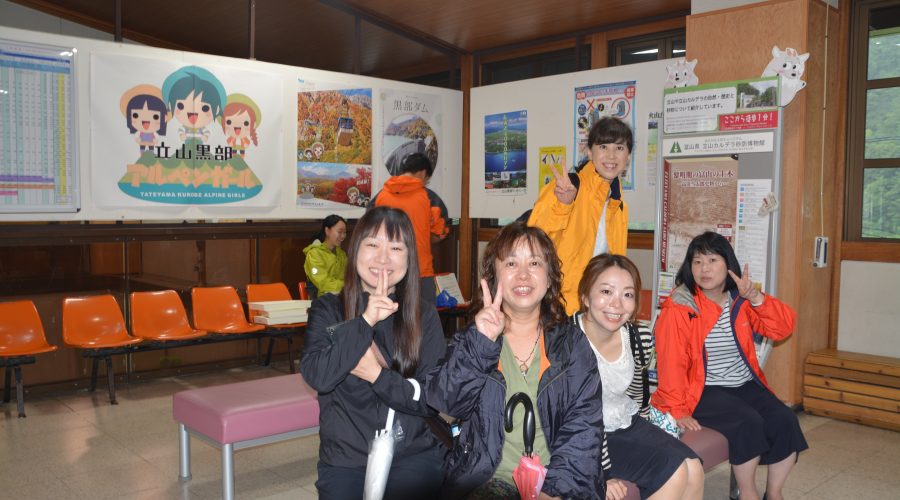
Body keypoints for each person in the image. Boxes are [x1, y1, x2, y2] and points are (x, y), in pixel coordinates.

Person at [426, 222, 603, 499]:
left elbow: (583, 430)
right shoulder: (474, 339)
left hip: (557, 485)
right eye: (511, 263)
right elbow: (446, 402)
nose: (523, 274)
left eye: (534, 263)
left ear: (549, 277)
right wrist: (481, 343)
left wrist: (553, 491)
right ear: (493, 276)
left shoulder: (572, 345)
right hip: (486, 482)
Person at [299, 207, 447, 500]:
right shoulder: (328, 309)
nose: (383, 258)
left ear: (409, 257)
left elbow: (433, 399)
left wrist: (377, 376)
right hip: (345, 459)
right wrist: (365, 322)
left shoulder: (424, 316)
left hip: (412, 453)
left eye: (396, 248)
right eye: (372, 244)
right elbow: (318, 376)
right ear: (355, 250)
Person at [651, 232, 807, 500]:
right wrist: (677, 410)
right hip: (702, 390)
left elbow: (782, 328)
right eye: (697, 262)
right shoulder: (681, 305)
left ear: (728, 264)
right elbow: (671, 362)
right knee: (748, 422)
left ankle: (774, 493)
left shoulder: (740, 298)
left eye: (712, 260)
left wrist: (756, 297)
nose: (704, 269)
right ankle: (748, 493)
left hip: (744, 384)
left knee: (785, 420)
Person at [572, 254, 703, 500]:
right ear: (585, 296)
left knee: (694, 467)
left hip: (626, 421)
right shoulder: (566, 341)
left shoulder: (637, 337)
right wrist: (599, 472)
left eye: (628, 295)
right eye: (606, 291)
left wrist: (653, 434)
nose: (617, 304)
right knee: (674, 473)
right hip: (585, 435)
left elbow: (637, 393)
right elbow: (564, 418)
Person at [528, 116, 632, 315]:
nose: (611, 156)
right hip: (557, 309)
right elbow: (532, 244)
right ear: (589, 151)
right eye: (603, 147)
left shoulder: (619, 206)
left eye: (619, 148)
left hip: (596, 310)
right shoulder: (567, 187)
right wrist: (562, 206)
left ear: (628, 157)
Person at [371, 152, 449, 303]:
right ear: (423, 173)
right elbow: (439, 233)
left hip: (388, 272)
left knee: (388, 314)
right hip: (420, 271)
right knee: (425, 316)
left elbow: (370, 230)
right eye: (427, 180)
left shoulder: (381, 196)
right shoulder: (428, 197)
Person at [302, 214, 347, 298]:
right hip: (321, 301)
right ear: (327, 231)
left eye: (344, 232)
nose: (343, 236)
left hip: (340, 298)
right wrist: (348, 286)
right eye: (340, 232)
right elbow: (323, 282)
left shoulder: (342, 254)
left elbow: (347, 277)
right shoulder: (314, 254)